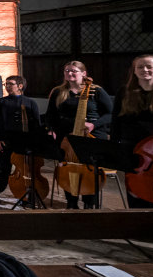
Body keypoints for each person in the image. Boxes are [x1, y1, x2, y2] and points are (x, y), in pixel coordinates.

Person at [113, 55, 153, 245]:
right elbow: (116, 122)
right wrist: (116, 148)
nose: (145, 70)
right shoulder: (125, 92)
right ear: (134, 71)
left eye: (149, 67)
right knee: (135, 190)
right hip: (132, 148)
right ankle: (140, 228)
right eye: (140, 67)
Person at [45, 60, 113, 209]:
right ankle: (71, 202)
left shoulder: (96, 91)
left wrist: (93, 124)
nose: (70, 73)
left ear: (84, 73)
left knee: (89, 170)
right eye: (67, 71)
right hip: (66, 137)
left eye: (74, 71)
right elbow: (50, 115)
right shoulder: (58, 91)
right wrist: (51, 129)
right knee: (69, 168)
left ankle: (89, 203)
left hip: (91, 136)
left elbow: (110, 114)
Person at [0, 75, 43, 201]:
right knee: (2, 168)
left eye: (11, 84)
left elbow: (36, 124)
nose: (7, 86)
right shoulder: (0, 102)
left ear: (20, 86)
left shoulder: (30, 102)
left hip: (25, 140)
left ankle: (27, 194)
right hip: (5, 140)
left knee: (27, 168)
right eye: (6, 84)